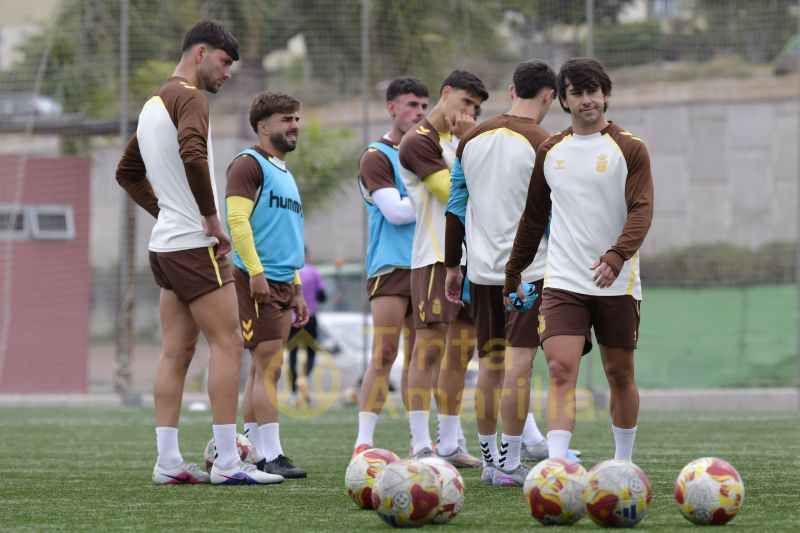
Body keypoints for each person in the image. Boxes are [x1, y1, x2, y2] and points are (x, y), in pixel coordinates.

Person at [116, 20, 279, 485]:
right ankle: (228, 462)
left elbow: (126, 172)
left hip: (165, 247)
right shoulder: (190, 97)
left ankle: (168, 462)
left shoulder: (153, 103)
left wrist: (168, 210)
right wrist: (209, 219)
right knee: (229, 344)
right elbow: (191, 152)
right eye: (225, 63)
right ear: (200, 52)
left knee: (176, 353)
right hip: (193, 244)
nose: (228, 73)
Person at [504, 57, 654, 463]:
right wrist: (513, 271)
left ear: (605, 95)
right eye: (577, 93)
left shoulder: (630, 148)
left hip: (617, 282)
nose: (587, 100)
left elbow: (642, 210)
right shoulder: (550, 150)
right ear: (564, 102)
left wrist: (617, 255)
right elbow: (533, 217)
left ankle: (622, 464)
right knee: (559, 369)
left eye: (593, 91)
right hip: (563, 282)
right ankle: (556, 464)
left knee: (620, 375)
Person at [444, 59, 579, 487]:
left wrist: (453, 265)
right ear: (549, 97)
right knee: (520, 366)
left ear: (509, 91)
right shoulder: (546, 142)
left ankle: (489, 461)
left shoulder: (471, 139)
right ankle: (509, 462)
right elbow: (557, 214)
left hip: (481, 274)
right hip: (528, 274)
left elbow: (454, 208)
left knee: (490, 365)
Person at [398, 70, 489, 467]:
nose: (469, 111)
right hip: (435, 257)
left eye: (476, 107)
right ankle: (420, 443)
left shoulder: (459, 142)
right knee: (429, 349)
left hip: (474, 260)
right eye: (465, 102)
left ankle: (450, 444)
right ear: (446, 93)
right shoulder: (417, 141)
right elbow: (450, 194)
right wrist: (472, 141)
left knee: (462, 354)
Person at [227, 91, 309, 479]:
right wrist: (256, 273)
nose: (295, 125)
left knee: (262, 370)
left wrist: (296, 287)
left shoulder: (284, 172)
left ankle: (254, 449)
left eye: (296, 118)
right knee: (269, 366)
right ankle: (271, 454)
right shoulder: (248, 164)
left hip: (280, 282)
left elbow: (285, 236)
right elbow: (237, 222)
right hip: (254, 280)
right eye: (286, 119)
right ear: (263, 127)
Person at [353, 77, 429, 455]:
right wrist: (435, 192)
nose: (418, 112)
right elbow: (396, 213)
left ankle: (421, 441)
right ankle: (364, 441)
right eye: (411, 105)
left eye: (423, 106)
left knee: (421, 356)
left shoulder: (428, 153)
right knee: (384, 354)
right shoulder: (377, 156)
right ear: (392, 108)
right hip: (389, 266)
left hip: (425, 263)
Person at [287, 247, 327, 407]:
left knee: (292, 355)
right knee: (310, 354)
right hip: (310, 318)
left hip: (292, 319)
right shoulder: (314, 272)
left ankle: (293, 393)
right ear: (307, 255)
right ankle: (305, 385)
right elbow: (322, 296)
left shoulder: (288, 271)